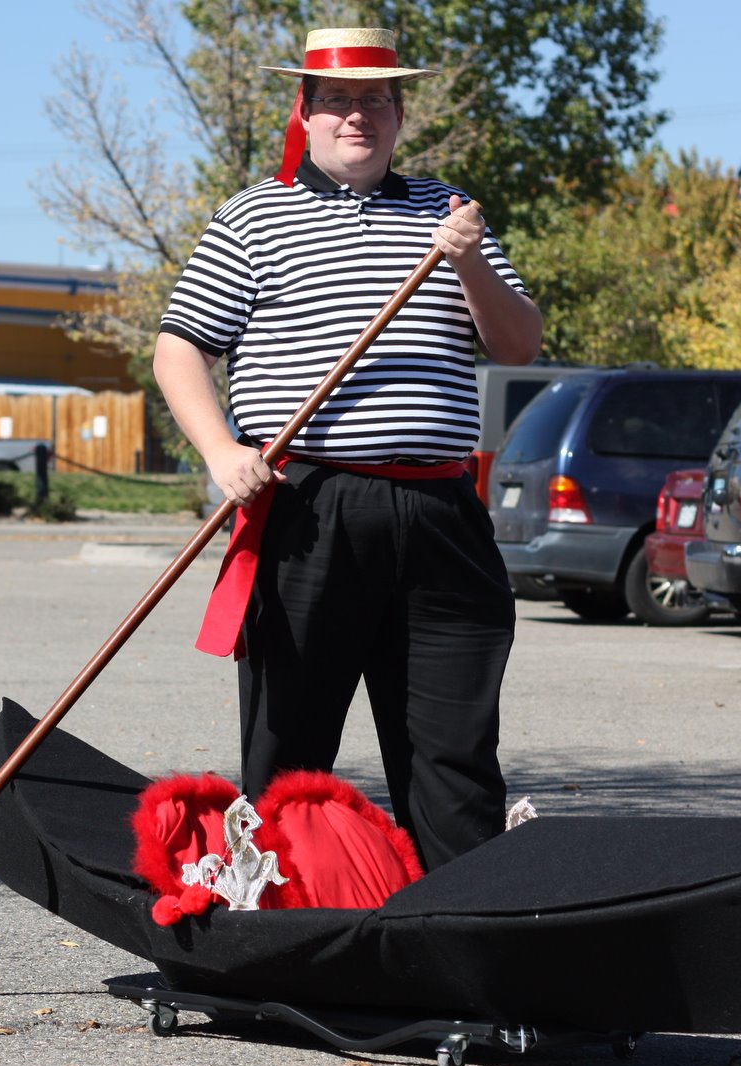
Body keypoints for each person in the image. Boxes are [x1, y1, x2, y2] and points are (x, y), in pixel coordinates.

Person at [153, 27, 543, 871]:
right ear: (307, 111)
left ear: (399, 115)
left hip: (441, 516)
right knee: (287, 754)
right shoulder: (253, 215)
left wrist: (469, 263)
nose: (355, 115)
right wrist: (221, 452)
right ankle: (276, 944)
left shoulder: (454, 212)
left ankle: (464, 951)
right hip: (306, 511)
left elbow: (518, 345)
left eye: (374, 100)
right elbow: (179, 347)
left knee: (454, 758)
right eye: (337, 100)